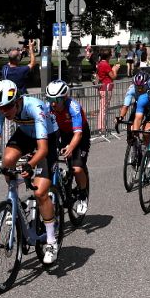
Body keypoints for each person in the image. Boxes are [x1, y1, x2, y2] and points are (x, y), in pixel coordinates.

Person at [0, 80, 60, 264]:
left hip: (47, 138)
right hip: (26, 135)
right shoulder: (2, 111)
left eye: (8, 107)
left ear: (18, 101)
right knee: (8, 160)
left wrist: (30, 164)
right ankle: (15, 203)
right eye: (0, 108)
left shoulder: (35, 107)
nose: (5, 112)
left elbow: (42, 149)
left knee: (40, 192)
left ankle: (51, 241)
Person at [44, 80, 89, 215]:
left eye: (56, 100)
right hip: (61, 133)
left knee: (76, 168)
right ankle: (60, 181)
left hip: (79, 134)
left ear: (64, 98)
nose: (52, 103)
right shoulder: (48, 107)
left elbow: (78, 134)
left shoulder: (73, 107)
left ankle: (82, 195)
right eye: (49, 99)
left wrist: (70, 147)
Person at [95, 53, 115, 135]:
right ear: (108, 56)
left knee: (103, 108)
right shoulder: (105, 64)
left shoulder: (100, 64)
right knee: (104, 109)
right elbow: (113, 76)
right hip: (106, 88)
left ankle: (102, 127)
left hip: (102, 87)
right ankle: (102, 128)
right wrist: (114, 69)